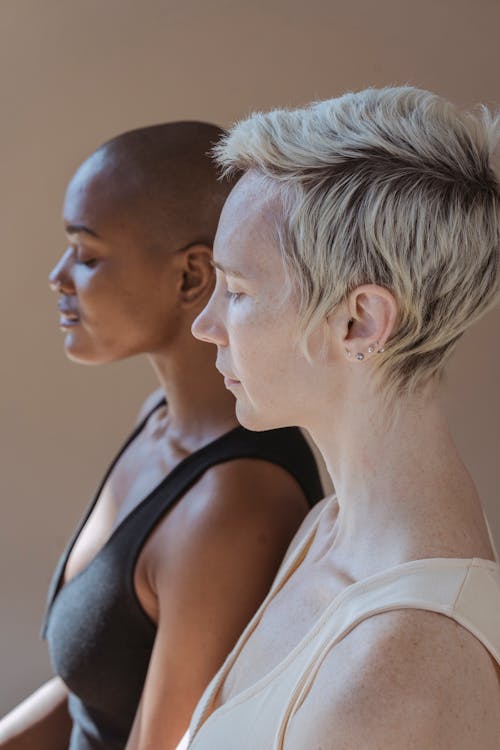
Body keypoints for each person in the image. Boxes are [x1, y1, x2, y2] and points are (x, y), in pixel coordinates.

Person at [189, 88, 500, 749]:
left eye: (238, 292)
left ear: (359, 321)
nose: (204, 324)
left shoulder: (400, 670)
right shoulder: (329, 528)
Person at [0, 122, 323, 750]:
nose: (58, 276)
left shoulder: (233, 504)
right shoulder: (161, 423)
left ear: (190, 277)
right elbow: (97, 685)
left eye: (87, 254)